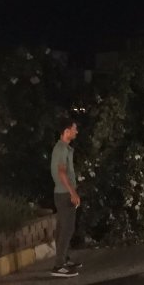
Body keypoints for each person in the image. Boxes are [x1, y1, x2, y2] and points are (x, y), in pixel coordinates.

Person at [50, 118, 83, 277]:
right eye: (74, 129)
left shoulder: (64, 148)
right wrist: (73, 192)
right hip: (64, 194)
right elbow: (62, 173)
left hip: (63, 193)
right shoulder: (61, 149)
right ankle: (58, 265)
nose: (76, 132)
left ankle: (64, 259)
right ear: (67, 131)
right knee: (67, 229)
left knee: (64, 228)